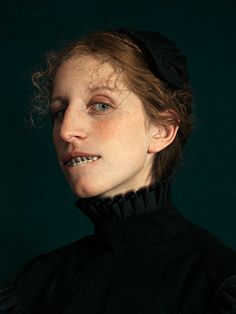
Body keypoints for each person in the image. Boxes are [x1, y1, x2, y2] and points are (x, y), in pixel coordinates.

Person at [0, 28, 235, 314]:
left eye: (101, 105)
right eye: (59, 111)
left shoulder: (217, 285)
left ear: (161, 130)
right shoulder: (37, 285)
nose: (66, 130)